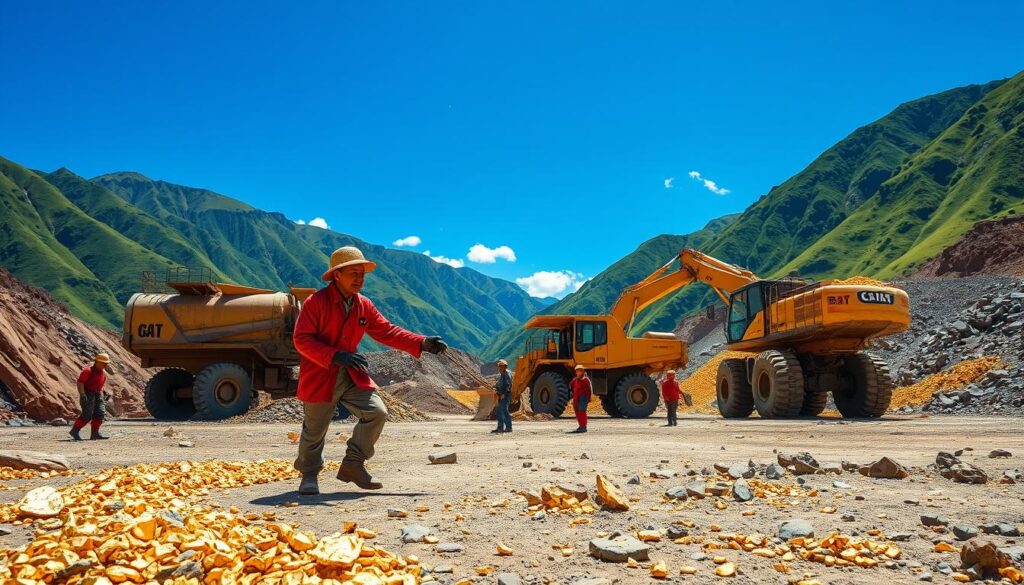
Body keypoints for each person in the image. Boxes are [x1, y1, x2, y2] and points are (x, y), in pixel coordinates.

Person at [293, 246, 448, 495]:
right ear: (337, 275)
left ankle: (353, 465)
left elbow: (387, 331)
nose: (359, 278)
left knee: (377, 413)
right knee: (314, 430)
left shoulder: (364, 305)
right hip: (321, 374)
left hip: (351, 373)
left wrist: (421, 342)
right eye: (353, 273)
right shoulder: (316, 303)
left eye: (362, 273)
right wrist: (335, 355)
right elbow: (301, 339)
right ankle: (309, 475)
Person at [70, 353, 111, 441]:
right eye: (103, 363)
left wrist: (104, 392)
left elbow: (100, 384)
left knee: (100, 413)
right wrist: (82, 395)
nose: (105, 365)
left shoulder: (102, 373)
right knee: (87, 415)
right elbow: (80, 383)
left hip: (98, 394)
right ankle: (74, 431)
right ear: (97, 362)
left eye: (106, 363)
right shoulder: (87, 371)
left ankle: (95, 434)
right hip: (88, 394)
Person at [568, 364, 591, 433]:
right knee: (577, 412)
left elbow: (589, 390)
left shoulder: (585, 380)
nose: (578, 372)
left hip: (582, 398)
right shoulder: (575, 380)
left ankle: (583, 426)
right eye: (577, 371)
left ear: (583, 371)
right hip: (576, 398)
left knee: (581, 412)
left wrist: (588, 398)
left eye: (580, 371)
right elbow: (570, 385)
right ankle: (581, 425)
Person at [492, 359, 513, 433]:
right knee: (501, 411)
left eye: (501, 366)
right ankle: (501, 428)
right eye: (499, 366)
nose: (499, 368)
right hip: (502, 395)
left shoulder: (506, 374)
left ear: (505, 367)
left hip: (505, 395)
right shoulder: (503, 374)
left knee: (503, 411)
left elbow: (508, 385)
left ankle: (506, 428)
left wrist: (504, 394)